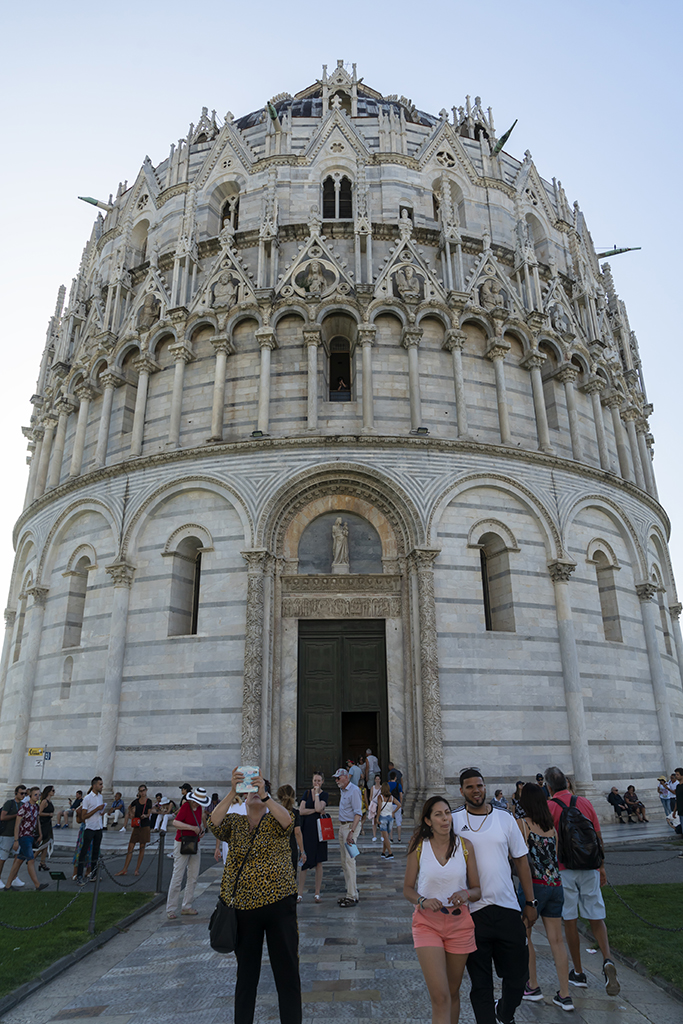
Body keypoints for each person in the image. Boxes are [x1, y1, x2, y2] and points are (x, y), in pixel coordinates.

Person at [209, 767, 301, 1024]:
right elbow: (212, 823)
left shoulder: (277, 821)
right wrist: (232, 791)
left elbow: (288, 820)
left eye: (259, 789)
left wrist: (266, 795)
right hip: (244, 911)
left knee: (287, 975)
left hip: (279, 908)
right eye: (251, 792)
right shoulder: (235, 823)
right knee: (246, 978)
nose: (255, 795)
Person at [452, 767, 536, 1024]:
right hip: (472, 914)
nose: (476, 791)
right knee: (481, 984)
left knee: (518, 977)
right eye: (470, 787)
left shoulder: (504, 818)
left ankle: (505, 1012)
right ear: (461, 791)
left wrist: (531, 902)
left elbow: (521, 861)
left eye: (479, 786)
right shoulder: (453, 820)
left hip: (507, 908)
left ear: (485, 787)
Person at [403, 796, 481, 1024]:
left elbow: (477, 889)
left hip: (460, 925)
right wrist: (422, 900)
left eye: (447, 813)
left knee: (452, 992)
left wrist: (465, 894)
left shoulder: (465, 846)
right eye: (438, 814)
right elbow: (407, 888)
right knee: (440, 996)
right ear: (428, 820)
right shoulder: (418, 845)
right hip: (427, 923)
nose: (445, 818)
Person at [545, 766, 620, 996]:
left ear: (548, 787)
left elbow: (549, 841)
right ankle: (607, 959)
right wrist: (602, 866)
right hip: (589, 867)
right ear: (567, 783)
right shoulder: (585, 803)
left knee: (570, 920)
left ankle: (578, 972)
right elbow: (597, 836)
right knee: (596, 916)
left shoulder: (549, 807)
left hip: (564, 869)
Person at [516, 783, 573, 1011]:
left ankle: (533, 985)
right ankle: (565, 994)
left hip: (534, 887)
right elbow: (555, 856)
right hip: (556, 885)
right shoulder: (551, 828)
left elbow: (518, 857)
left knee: (526, 935)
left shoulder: (523, 824)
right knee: (557, 940)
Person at [166, 786, 211, 919]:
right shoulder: (186, 807)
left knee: (193, 876)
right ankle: (171, 908)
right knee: (178, 876)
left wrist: (200, 831)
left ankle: (187, 906)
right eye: (197, 801)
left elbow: (198, 824)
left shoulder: (200, 809)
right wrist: (191, 828)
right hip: (182, 842)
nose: (198, 803)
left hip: (194, 843)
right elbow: (175, 822)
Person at [4, 786, 49, 891]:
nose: (37, 797)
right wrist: (16, 840)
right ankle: (37, 885)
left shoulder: (36, 807)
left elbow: (37, 819)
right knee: (31, 860)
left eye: (39, 794)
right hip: (24, 836)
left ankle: (8, 885)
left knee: (19, 861)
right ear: (30, 795)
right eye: (35, 795)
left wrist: (40, 833)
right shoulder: (24, 807)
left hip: (31, 835)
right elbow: (17, 824)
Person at [333, 767, 362, 907]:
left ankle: (351, 895)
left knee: (350, 861)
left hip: (350, 827)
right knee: (344, 862)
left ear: (346, 777)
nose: (336, 781)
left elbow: (358, 813)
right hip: (343, 826)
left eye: (338, 778)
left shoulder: (354, 790)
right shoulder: (343, 790)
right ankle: (352, 892)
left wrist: (352, 831)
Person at [298, 772, 328, 902]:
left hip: (319, 830)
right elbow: (301, 811)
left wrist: (316, 794)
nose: (316, 783)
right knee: (304, 860)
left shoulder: (324, 794)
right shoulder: (306, 793)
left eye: (319, 781)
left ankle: (317, 893)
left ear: (322, 782)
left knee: (318, 861)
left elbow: (318, 807)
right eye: (315, 780)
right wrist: (315, 811)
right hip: (307, 830)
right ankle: (299, 893)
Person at [116, 784, 152, 876]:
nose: (142, 792)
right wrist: (131, 813)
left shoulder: (148, 801)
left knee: (142, 847)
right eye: (140, 791)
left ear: (146, 790)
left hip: (145, 825)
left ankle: (137, 869)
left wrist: (145, 816)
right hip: (137, 826)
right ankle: (125, 869)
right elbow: (129, 807)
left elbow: (149, 813)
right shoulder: (136, 801)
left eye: (143, 790)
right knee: (130, 846)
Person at [76, 777, 106, 884]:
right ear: (94, 785)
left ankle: (93, 874)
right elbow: (84, 816)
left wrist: (101, 811)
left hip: (98, 827)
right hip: (90, 827)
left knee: (96, 851)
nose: (102, 786)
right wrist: (96, 809)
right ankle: (79, 875)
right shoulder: (87, 798)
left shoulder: (100, 797)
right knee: (84, 851)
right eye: (100, 784)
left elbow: (98, 810)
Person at [0, 785, 27, 889]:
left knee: (18, 857)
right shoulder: (9, 803)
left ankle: (14, 878)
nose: (23, 795)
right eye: (21, 793)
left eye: (25, 793)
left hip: (18, 835)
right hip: (6, 834)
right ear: (16, 793)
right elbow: (2, 817)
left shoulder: (23, 804)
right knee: (2, 858)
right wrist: (17, 815)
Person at [277, 785, 305, 882]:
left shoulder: (275, 813)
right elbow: (297, 832)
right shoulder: (295, 813)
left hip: (277, 848)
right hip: (291, 847)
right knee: (291, 878)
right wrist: (302, 851)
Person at [377, 782, 400, 860]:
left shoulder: (380, 797)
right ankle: (383, 852)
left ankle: (390, 853)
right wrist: (393, 812)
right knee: (386, 835)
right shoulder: (391, 797)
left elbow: (379, 808)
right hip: (390, 818)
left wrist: (377, 818)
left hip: (383, 817)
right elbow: (399, 804)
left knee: (385, 836)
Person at [38, 785, 55, 870]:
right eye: (53, 790)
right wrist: (48, 814)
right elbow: (39, 813)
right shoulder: (44, 801)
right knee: (44, 842)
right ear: (48, 792)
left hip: (48, 823)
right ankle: (31, 858)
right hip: (43, 823)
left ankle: (42, 862)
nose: (54, 792)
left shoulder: (50, 801)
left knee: (46, 843)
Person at [389, 769, 404, 842]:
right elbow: (401, 796)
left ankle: (391, 838)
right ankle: (399, 838)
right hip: (397, 804)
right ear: (395, 777)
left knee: (390, 822)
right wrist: (400, 804)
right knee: (398, 822)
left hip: (389, 804)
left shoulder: (387, 785)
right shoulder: (399, 785)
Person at [368, 773, 382, 842]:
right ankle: (374, 836)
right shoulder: (372, 788)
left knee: (380, 820)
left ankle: (382, 836)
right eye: (376, 779)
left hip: (380, 805)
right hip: (374, 805)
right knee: (374, 821)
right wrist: (372, 803)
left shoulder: (382, 788)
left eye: (378, 779)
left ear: (380, 780)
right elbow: (370, 796)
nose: (377, 780)